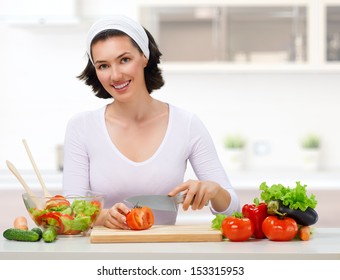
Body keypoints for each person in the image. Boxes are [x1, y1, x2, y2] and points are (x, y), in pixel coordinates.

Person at [62, 15, 240, 229]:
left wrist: (215, 191)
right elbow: (71, 209)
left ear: (144, 57)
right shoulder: (81, 127)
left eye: (124, 60)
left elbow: (235, 211)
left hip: (164, 253)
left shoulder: (186, 124)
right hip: (102, 253)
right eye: (103, 66)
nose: (116, 75)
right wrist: (103, 216)